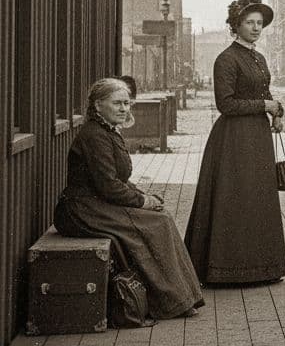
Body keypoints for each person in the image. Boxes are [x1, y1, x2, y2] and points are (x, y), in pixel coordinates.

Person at [54, 78, 205, 319]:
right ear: (98, 105)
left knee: (161, 216)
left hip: (98, 204)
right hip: (82, 209)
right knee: (154, 225)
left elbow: (118, 181)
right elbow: (109, 186)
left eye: (127, 103)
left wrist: (143, 196)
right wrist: (143, 202)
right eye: (117, 103)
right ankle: (170, 301)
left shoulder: (108, 132)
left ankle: (185, 296)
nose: (124, 109)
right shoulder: (94, 136)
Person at [184, 0, 285, 284]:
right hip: (233, 141)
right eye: (249, 23)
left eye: (259, 23)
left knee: (256, 198)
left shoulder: (258, 57)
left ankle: (261, 267)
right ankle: (229, 269)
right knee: (237, 198)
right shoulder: (226, 59)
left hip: (257, 137)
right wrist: (265, 107)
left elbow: (262, 93)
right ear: (236, 25)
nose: (256, 28)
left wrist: (276, 111)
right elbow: (226, 104)